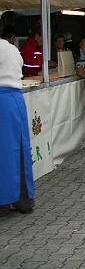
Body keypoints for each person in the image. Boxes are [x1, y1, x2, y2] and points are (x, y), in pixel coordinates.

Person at [0, 38, 35, 215]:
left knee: (4, 154)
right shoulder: (12, 48)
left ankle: (3, 201)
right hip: (15, 100)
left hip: (2, 101)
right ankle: (24, 199)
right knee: (20, 151)